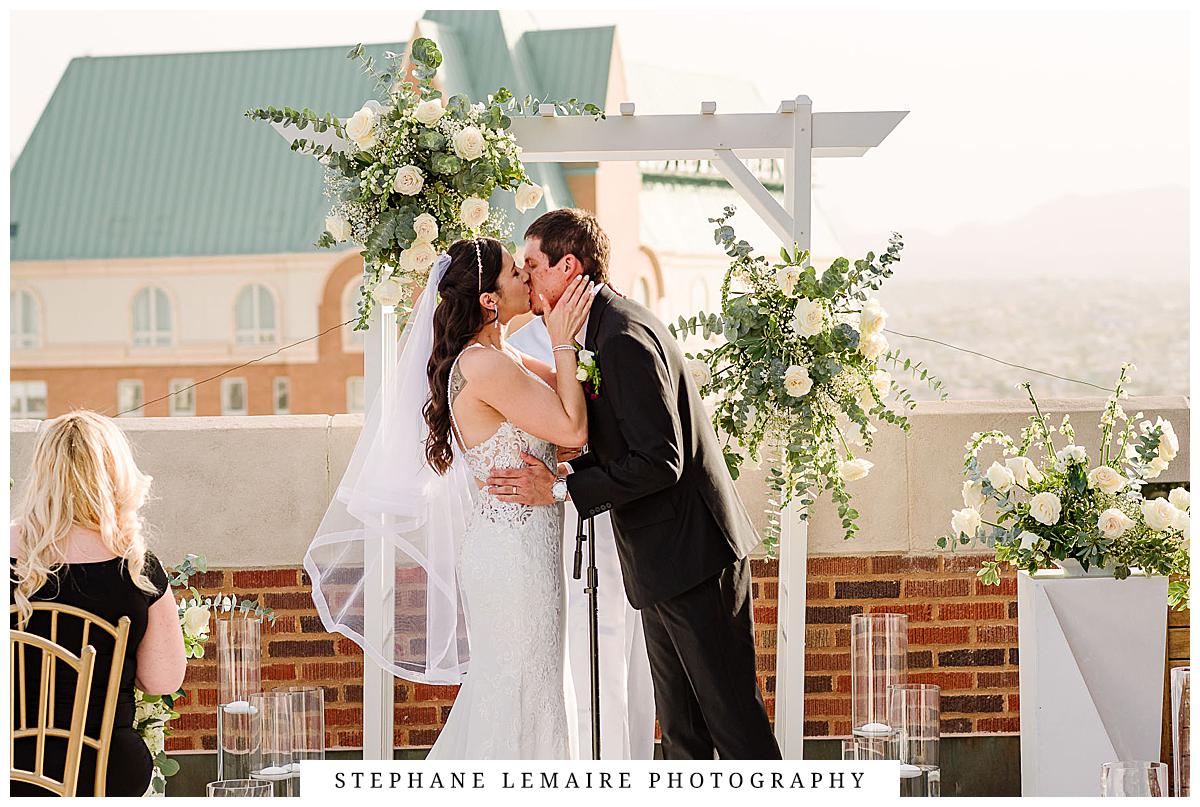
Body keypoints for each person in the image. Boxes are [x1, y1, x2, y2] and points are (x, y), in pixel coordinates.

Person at [487, 208, 782, 760]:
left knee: (735, 729)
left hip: (695, 559)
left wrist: (558, 490)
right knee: (681, 735)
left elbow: (659, 461)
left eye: (532, 265)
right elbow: (624, 441)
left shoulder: (621, 336)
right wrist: (574, 463)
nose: (525, 278)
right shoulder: (601, 329)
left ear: (567, 266)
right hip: (665, 564)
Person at [306, 238, 594, 759]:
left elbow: (579, 410)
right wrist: (563, 341)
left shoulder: (505, 356)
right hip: (510, 556)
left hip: (528, 547)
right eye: (515, 273)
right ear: (489, 299)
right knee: (516, 687)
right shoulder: (484, 365)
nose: (527, 279)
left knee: (535, 684)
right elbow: (571, 427)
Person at [10, 410, 186, 796]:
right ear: (117, 475)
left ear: (42, 474)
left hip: (12, 769)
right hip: (108, 770)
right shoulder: (138, 565)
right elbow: (164, 680)